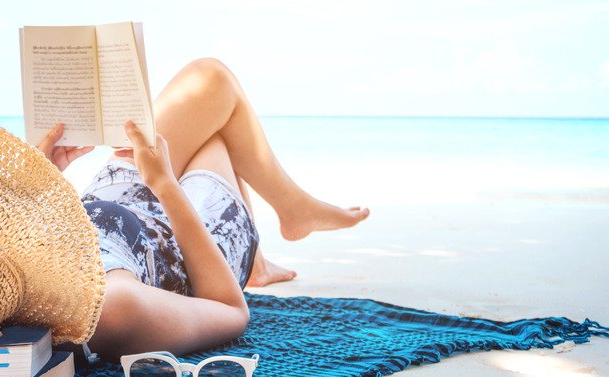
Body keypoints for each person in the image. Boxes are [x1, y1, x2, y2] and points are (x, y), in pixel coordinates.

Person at [36, 58, 369, 360]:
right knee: (215, 128)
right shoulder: (114, 306)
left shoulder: (17, 263)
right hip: (190, 248)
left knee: (210, 85)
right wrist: (165, 184)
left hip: (113, 200)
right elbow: (231, 311)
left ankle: (283, 228)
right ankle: (280, 229)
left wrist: (40, 183)